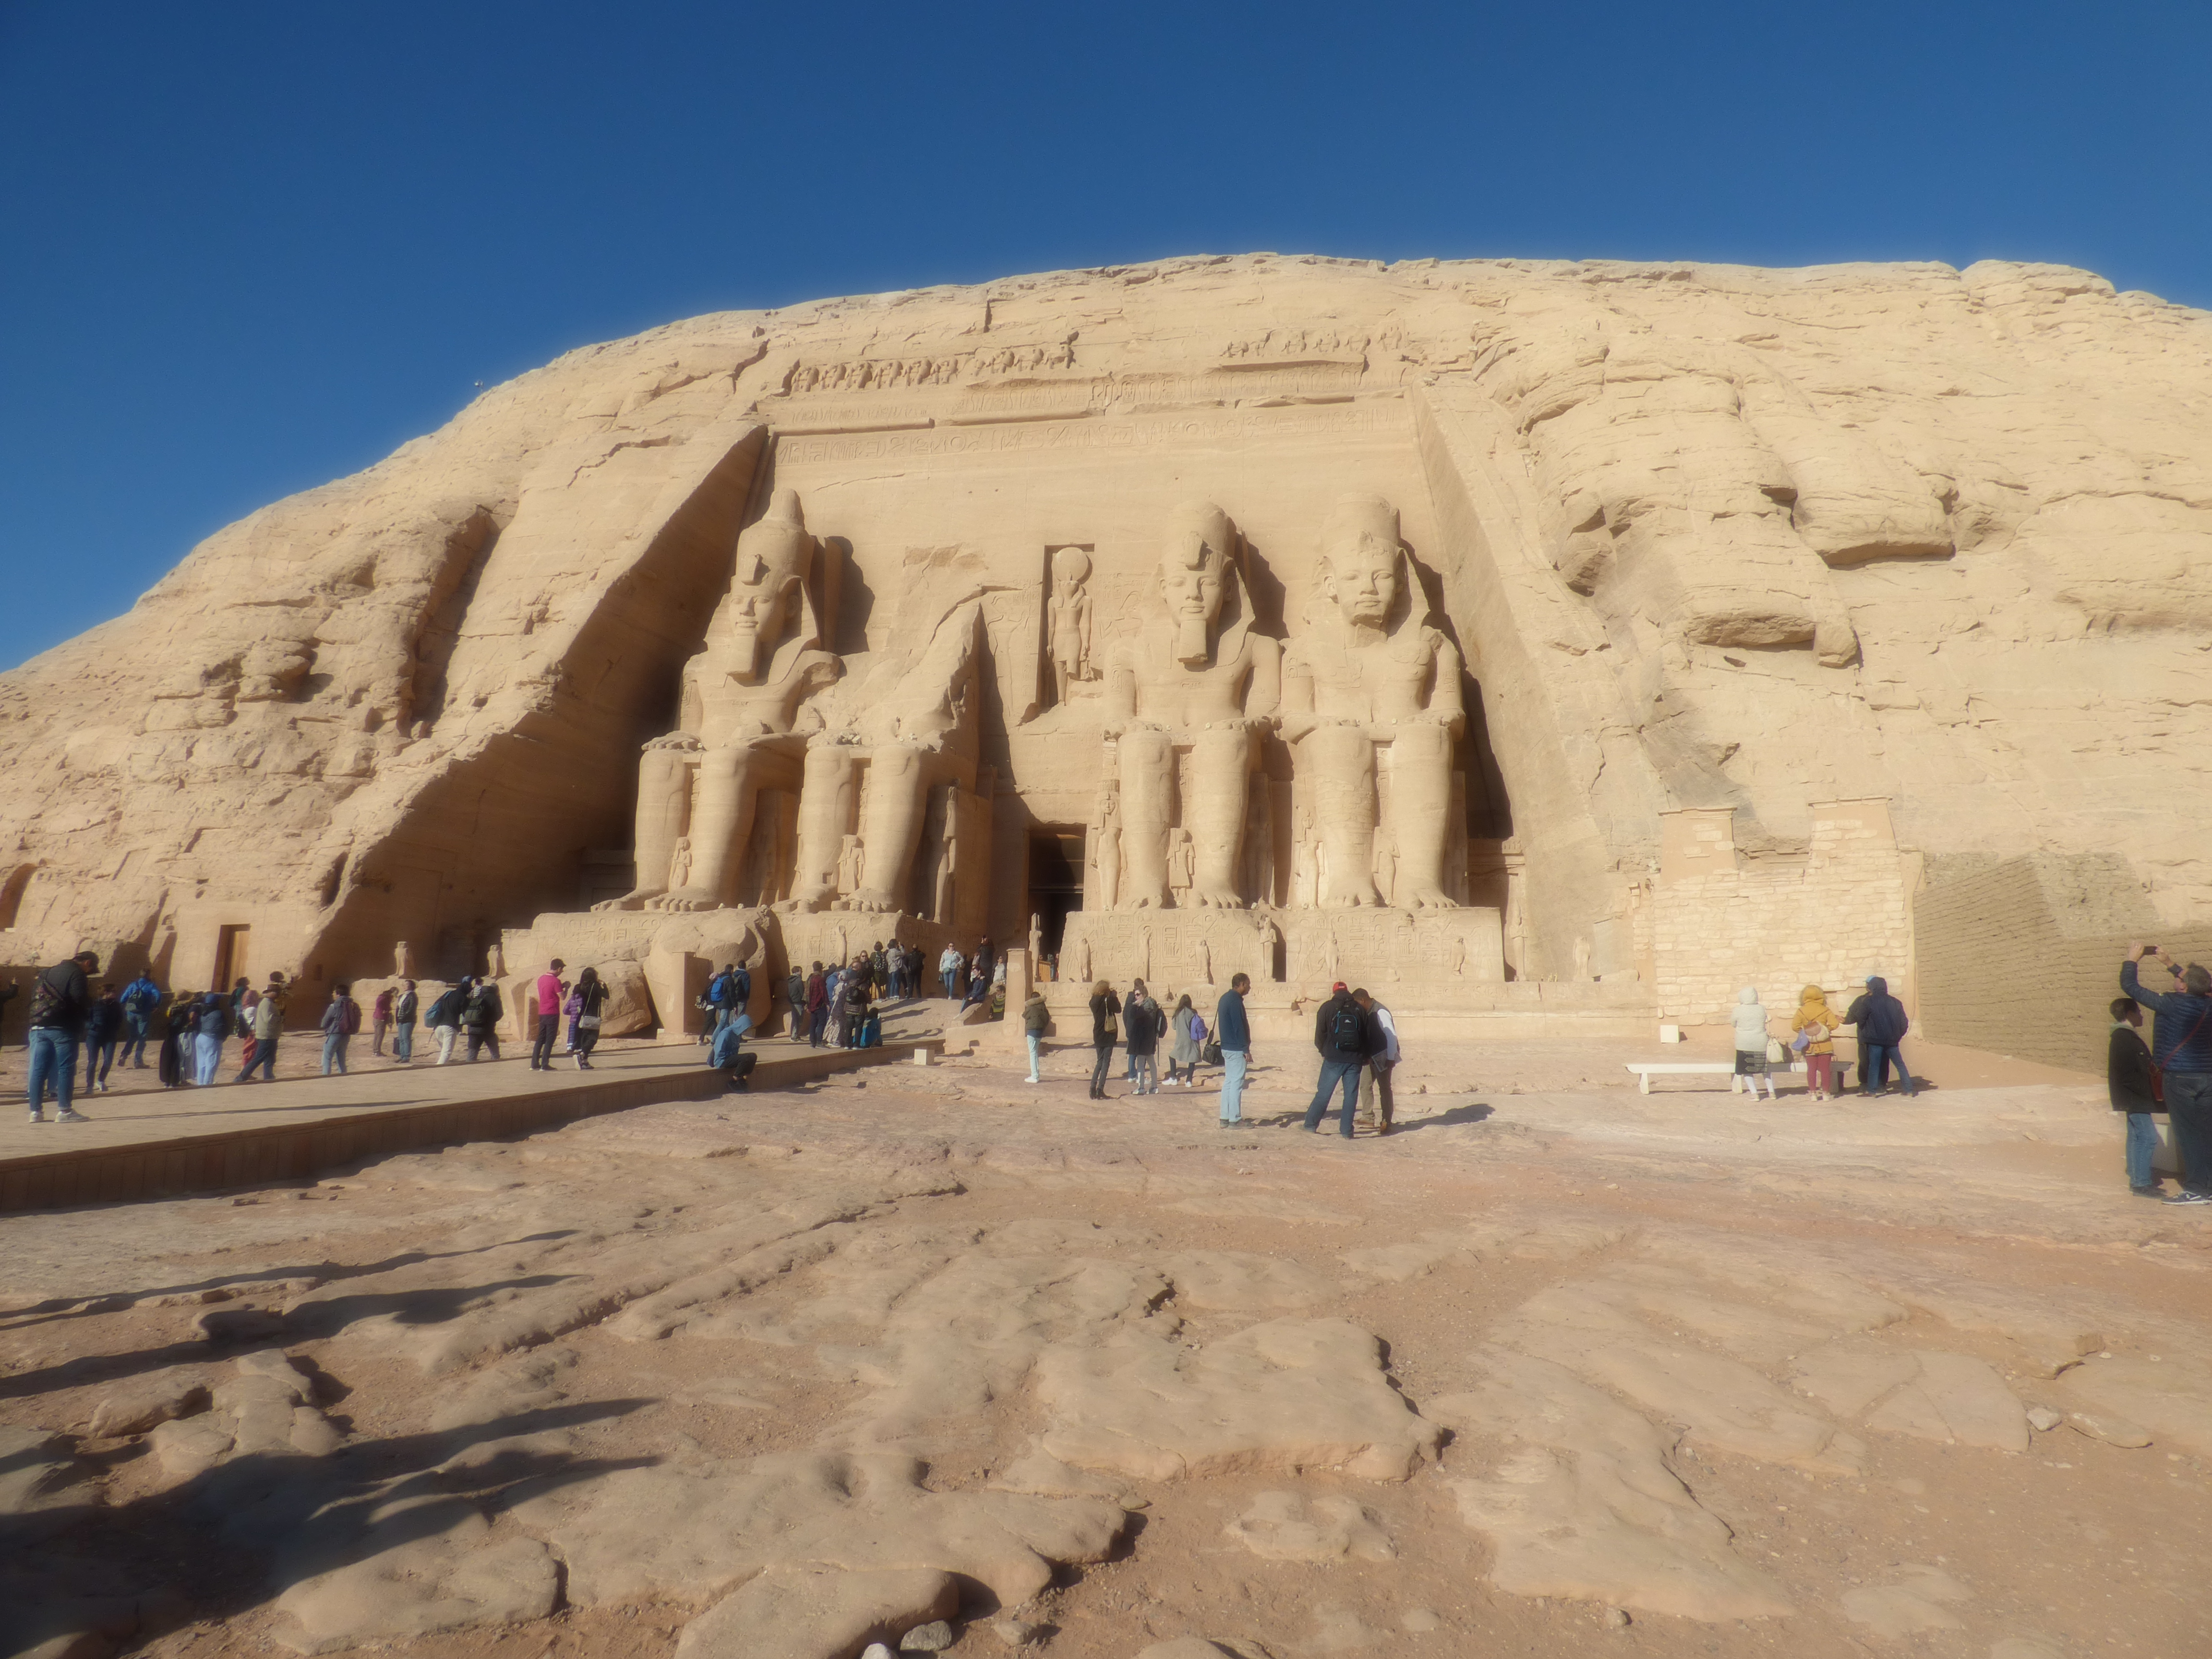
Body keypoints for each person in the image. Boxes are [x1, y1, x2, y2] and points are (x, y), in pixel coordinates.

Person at [2120, 944, 2212, 1205]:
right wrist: (2170, 964)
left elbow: (2131, 987)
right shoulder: (2209, 1003)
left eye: (2179, 977)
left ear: (2182, 986)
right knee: (2207, 1133)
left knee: (2188, 1134)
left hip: (2180, 1078)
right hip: (2208, 1076)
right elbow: (2206, 982)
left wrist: (2132, 960)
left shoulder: (2169, 1004)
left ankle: (2197, 1190)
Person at [25, 950, 98, 1124]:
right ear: (87, 963)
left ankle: (35, 1112)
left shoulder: (47, 972)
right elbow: (79, 999)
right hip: (64, 1028)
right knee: (65, 1068)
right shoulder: (77, 973)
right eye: (91, 969)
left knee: (38, 1070)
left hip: (39, 1026)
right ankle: (64, 1111)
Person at [2109, 996, 2163, 1197]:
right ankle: (2141, 1183)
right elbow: (2132, 1072)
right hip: (2136, 1097)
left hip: (2131, 1097)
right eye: (2139, 1013)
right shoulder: (2125, 1038)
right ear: (2130, 1014)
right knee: (2147, 1137)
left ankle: (2136, 1176)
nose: (2141, 1016)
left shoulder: (2122, 1036)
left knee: (2135, 1136)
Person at [1302, 982, 1370, 1139]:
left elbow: (1320, 1035)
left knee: (1324, 1093)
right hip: (1355, 1059)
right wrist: (1364, 1056)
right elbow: (1367, 1035)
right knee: (1351, 1095)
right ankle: (1346, 1131)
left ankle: (1310, 1125)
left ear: (1334, 993)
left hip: (1333, 1058)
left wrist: (1323, 1051)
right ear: (1348, 992)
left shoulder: (1327, 1007)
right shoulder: (1359, 1009)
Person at [1846, 976, 1915, 1098]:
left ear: (1872, 987)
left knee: (1874, 1065)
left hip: (1875, 1040)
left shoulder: (1868, 1001)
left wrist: (1866, 1031)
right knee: (1900, 1065)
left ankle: (1872, 1091)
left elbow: (1861, 1018)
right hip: (1892, 1041)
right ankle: (1908, 1089)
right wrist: (1898, 1035)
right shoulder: (1896, 1002)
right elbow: (1904, 1022)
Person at [1353, 989, 1399, 1133]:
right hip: (1370, 1056)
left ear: (1362, 1001)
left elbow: (1391, 1036)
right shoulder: (1367, 1013)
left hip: (1383, 1055)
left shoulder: (1380, 1012)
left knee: (1384, 1088)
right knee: (1365, 1085)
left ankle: (1387, 1120)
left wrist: (1391, 1058)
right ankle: (1368, 1117)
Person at [1790, 984, 1846, 1100]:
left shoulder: (1801, 1011)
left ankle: (1813, 1094)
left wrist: (1806, 1032)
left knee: (1811, 1069)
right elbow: (1835, 1024)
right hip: (1825, 1044)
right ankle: (1826, 1093)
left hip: (1809, 1045)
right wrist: (1825, 1030)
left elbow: (1795, 1026)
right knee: (1825, 1069)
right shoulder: (1825, 1010)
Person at [1216, 974, 1253, 1127]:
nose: (1250, 988)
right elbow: (1238, 1026)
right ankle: (1235, 1119)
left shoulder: (1224, 998)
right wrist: (1245, 1048)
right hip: (1236, 1048)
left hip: (1227, 1046)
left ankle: (1225, 1117)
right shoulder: (1235, 1001)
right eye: (1248, 985)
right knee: (1236, 1084)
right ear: (1242, 984)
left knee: (1229, 1083)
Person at [1731, 987, 1777, 1101]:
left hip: (1744, 1042)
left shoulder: (1738, 1010)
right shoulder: (1762, 1009)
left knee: (1746, 1069)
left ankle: (1755, 1093)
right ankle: (1772, 1092)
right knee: (1764, 1069)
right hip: (1760, 1041)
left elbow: (1733, 1023)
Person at [241, 979, 286, 1081]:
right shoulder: (267, 1004)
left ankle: (269, 1078)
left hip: (271, 1036)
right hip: (266, 1036)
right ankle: (241, 1078)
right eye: (277, 992)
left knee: (270, 1060)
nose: (278, 994)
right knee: (258, 1059)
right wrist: (281, 1018)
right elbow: (268, 1019)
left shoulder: (270, 1003)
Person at [84, 984, 124, 1095]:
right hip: (94, 1037)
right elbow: (86, 1020)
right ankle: (89, 1086)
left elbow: (120, 1019)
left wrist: (115, 1030)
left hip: (110, 1037)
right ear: (106, 992)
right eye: (113, 991)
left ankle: (101, 1081)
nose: (115, 993)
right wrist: (93, 1026)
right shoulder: (94, 1004)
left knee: (108, 1061)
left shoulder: (116, 1005)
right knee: (93, 1062)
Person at [1125, 982, 1164, 1095]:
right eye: (1135, 995)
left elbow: (1133, 1016)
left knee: (1141, 1062)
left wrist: (1135, 1005)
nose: (1136, 997)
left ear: (1144, 994)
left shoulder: (1146, 1006)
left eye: (1138, 994)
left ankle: (1141, 1087)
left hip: (1144, 1038)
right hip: (1148, 1037)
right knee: (1151, 1061)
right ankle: (1154, 1087)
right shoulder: (1150, 1004)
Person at [530, 959, 568, 1071]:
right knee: (550, 1039)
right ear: (559, 969)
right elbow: (563, 997)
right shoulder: (556, 981)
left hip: (542, 1012)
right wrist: (566, 988)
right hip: (552, 1012)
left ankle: (534, 1063)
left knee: (541, 1038)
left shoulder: (541, 979)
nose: (562, 972)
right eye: (562, 970)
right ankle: (545, 1064)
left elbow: (548, 990)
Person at [120, 968, 162, 1068]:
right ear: (149, 975)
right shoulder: (150, 985)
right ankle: (138, 1061)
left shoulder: (133, 985)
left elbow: (123, 999)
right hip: (144, 1013)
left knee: (133, 1036)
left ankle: (124, 1055)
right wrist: (156, 1006)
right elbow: (158, 995)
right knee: (142, 1037)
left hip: (131, 1013)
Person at [1087, 980, 1122, 1099]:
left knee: (1100, 1061)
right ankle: (1100, 1089)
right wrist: (1114, 997)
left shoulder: (1093, 1001)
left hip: (1098, 1033)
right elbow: (1118, 1009)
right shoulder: (1108, 1001)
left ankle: (1092, 1088)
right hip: (1108, 1033)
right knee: (1106, 1062)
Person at [570, 966, 608, 1069]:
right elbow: (607, 996)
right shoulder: (596, 986)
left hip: (581, 1016)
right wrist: (604, 985)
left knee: (584, 1038)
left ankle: (585, 1062)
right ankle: (582, 1053)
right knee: (593, 1038)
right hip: (592, 1016)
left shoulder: (579, 987)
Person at [321, 983, 361, 1075]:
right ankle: (343, 1077)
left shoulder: (335, 1006)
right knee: (341, 1059)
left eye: (334, 993)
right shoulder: (353, 1005)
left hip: (335, 1033)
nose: (333, 995)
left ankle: (325, 1077)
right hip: (347, 1034)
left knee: (327, 1058)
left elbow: (324, 1023)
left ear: (338, 994)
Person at [193, 990, 230, 1086]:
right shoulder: (219, 1013)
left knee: (201, 1063)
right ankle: (208, 1083)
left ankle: (200, 1083)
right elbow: (225, 1027)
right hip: (212, 1039)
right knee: (211, 1062)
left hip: (201, 1037)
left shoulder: (204, 1011)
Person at [157, 991, 193, 1089]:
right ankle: (175, 1080)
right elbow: (179, 1025)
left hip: (168, 1038)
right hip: (178, 1037)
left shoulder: (171, 1008)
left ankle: (167, 1081)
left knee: (167, 1059)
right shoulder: (182, 1010)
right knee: (178, 1059)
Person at [428, 978, 469, 1064]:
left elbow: (436, 1004)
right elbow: (466, 1014)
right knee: (446, 1052)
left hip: (438, 1027)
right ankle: (439, 1070)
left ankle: (442, 1065)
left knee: (444, 1050)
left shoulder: (448, 994)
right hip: (450, 1027)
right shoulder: (463, 998)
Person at [462, 977, 504, 1061]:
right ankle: (496, 1069)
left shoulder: (475, 995)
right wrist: (491, 1021)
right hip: (488, 1029)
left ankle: (468, 1070)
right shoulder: (494, 998)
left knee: (472, 1053)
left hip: (472, 1029)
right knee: (495, 1053)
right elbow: (500, 1014)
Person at [1165, 993, 1200, 1086]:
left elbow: (1174, 1027)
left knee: (1172, 1056)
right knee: (1192, 1060)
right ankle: (1189, 1081)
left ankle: (1173, 1078)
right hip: (1192, 1039)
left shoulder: (1178, 1012)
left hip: (1181, 1039)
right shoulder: (1193, 1013)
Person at [1022, 987, 1049, 1083]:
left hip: (1032, 1032)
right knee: (1035, 1053)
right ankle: (1036, 1075)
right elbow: (1047, 1019)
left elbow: (1024, 1015)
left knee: (1033, 1054)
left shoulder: (1031, 1007)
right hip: (1040, 1032)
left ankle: (1035, 1076)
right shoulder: (1043, 1007)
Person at [392, 979, 418, 1063]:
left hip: (408, 1019)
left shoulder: (412, 996)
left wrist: (404, 1017)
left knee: (406, 1038)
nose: (404, 986)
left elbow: (411, 1008)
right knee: (401, 1038)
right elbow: (399, 1008)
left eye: (407, 984)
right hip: (401, 1019)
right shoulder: (401, 996)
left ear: (411, 986)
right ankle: (402, 1055)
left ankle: (406, 1056)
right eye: (403, 985)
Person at [805, 962, 829, 1047]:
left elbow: (807, 993)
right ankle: (819, 1041)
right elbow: (823, 992)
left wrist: (807, 1005)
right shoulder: (820, 979)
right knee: (821, 1024)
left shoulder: (810, 978)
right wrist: (827, 1003)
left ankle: (813, 1042)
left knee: (813, 1024)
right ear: (821, 969)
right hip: (820, 1005)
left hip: (811, 1005)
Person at [785, 965, 807, 1040]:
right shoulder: (798, 980)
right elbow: (802, 992)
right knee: (799, 1020)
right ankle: (795, 1036)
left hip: (793, 1002)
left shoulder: (790, 980)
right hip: (798, 1002)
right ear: (797, 972)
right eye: (801, 971)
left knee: (795, 1019)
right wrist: (805, 1002)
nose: (802, 973)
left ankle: (794, 1035)